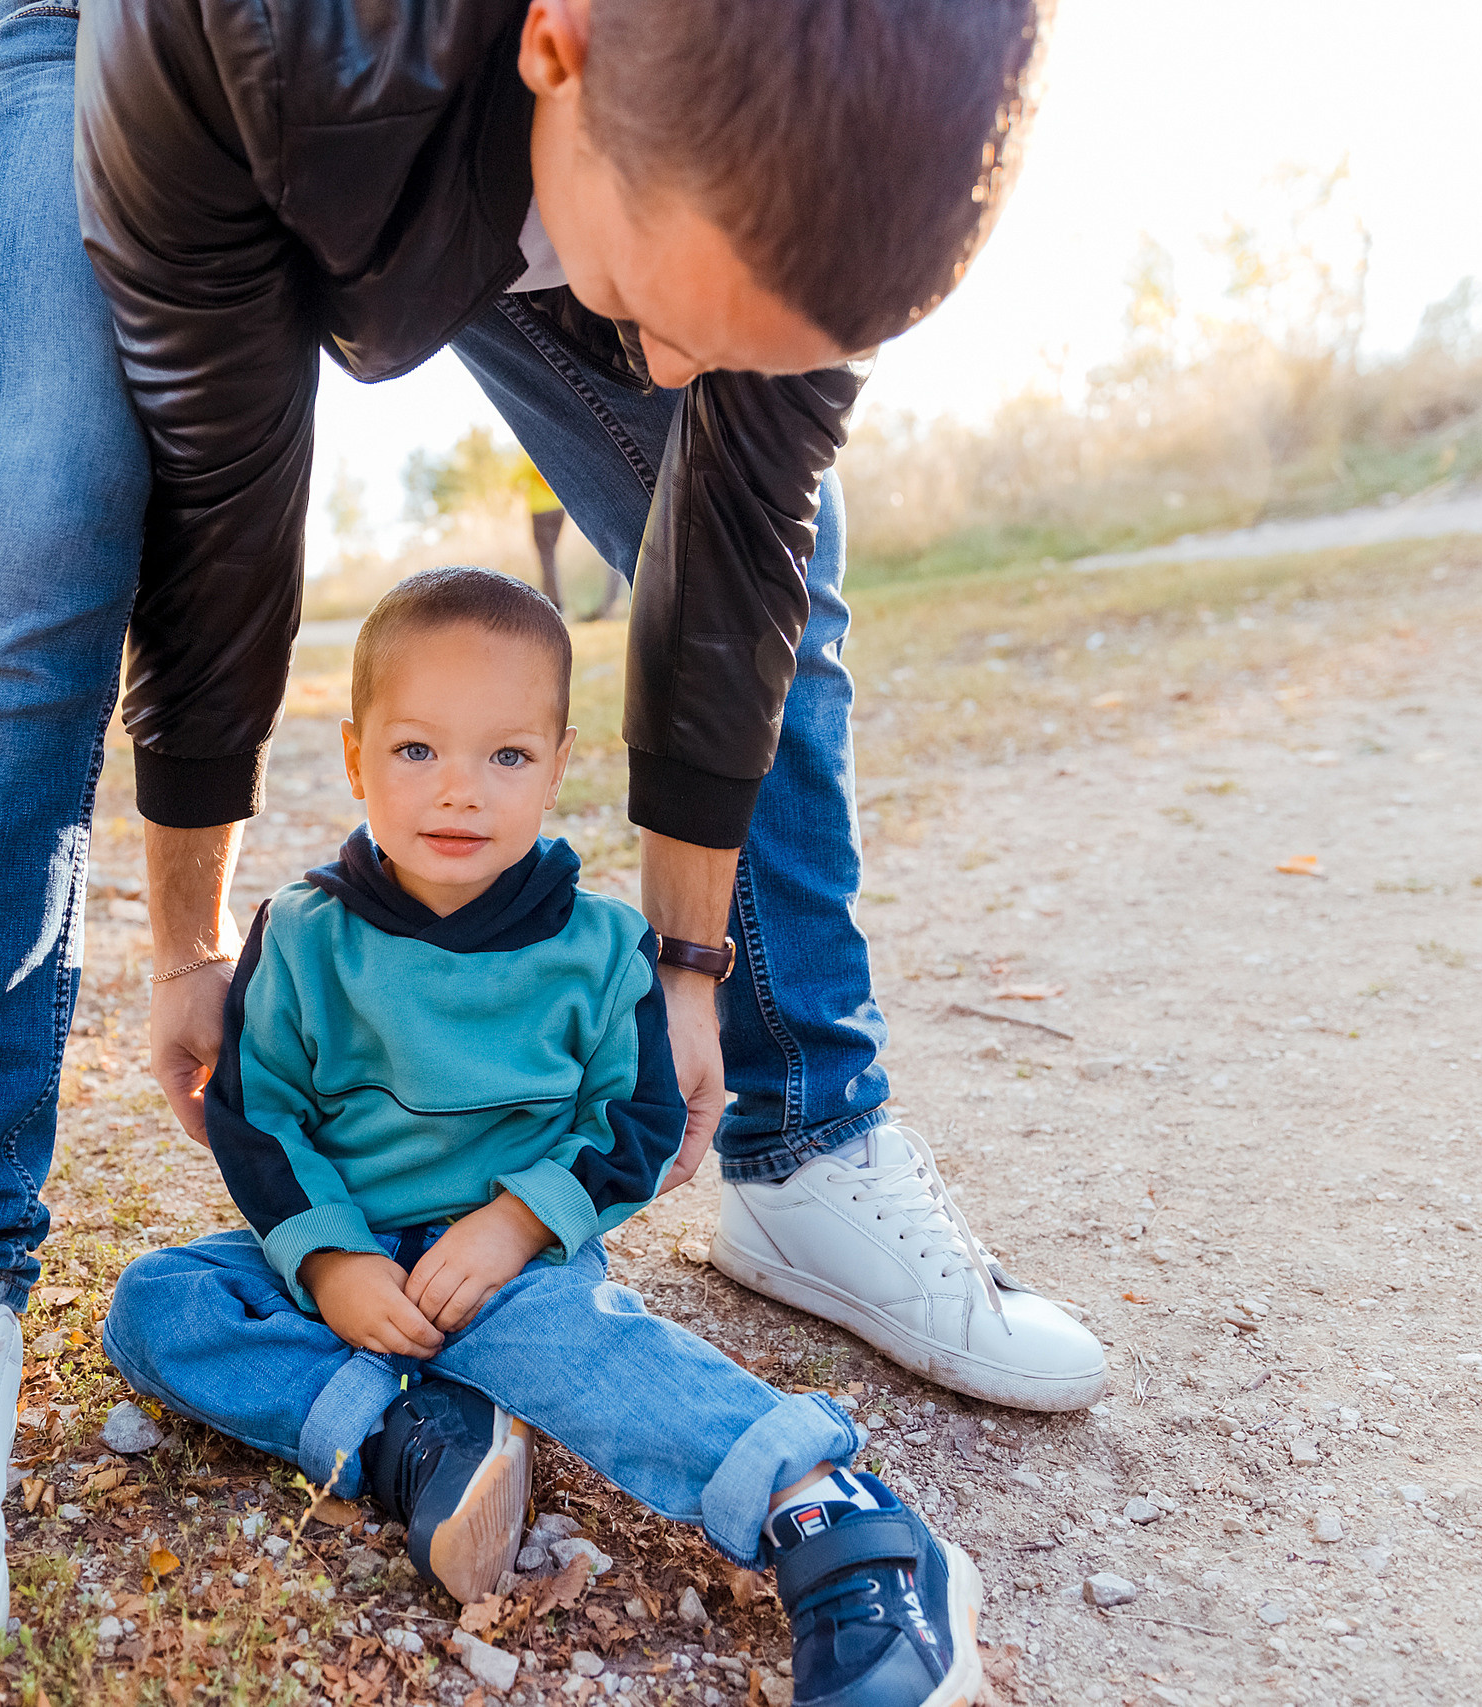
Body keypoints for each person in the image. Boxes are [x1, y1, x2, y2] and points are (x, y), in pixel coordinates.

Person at [0, 0, 1096, 1701]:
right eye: (681, 315)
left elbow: (733, 551)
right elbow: (225, 496)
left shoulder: (819, 104)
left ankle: (802, 1141)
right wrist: (198, 943)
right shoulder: (251, 38)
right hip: (181, 53)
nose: (679, 372)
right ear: (561, 50)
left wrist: (687, 976)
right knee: (46, 515)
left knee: (767, 524)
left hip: (605, 111)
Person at [102, 569, 987, 1704]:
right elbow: (258, 1118)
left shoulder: (601, 951)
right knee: (161, 1304)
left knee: (579, 1346)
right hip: (345, 1253)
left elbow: (634, 1121)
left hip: (513, 1268)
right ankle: (411, 1440)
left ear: (561, 766)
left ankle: (829, 1517)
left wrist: (516, 1225)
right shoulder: (304, 936)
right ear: (356, 756)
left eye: (506, 757)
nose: (459, 792)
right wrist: (328, 1259)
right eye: (418, 751)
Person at [523, 458, 568, 610]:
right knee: (551, 555)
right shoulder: (554, 455)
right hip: (559, 508)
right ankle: (554, 600)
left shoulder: (529, 453)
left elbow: (512, 478)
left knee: (547, 557)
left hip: (540, 511)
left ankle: (553, 602)